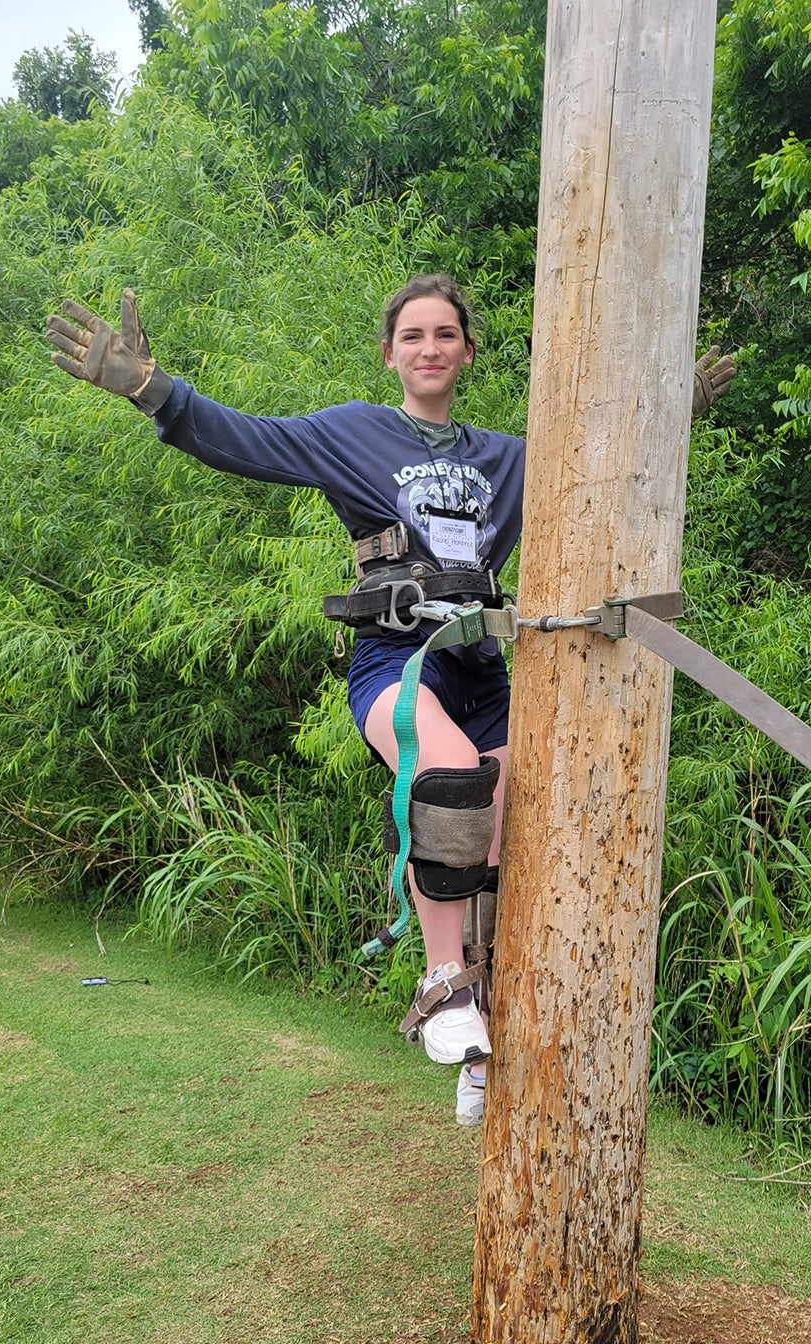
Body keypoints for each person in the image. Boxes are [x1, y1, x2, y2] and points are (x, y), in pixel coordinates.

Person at [45, 274, 733, 1128]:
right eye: (413, 336)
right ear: (389, 353)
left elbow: (605, 464)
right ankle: (441, 983)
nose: (430, 348)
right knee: (447, 781)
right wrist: (153, 390)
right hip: (395, 660)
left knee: (505, 841)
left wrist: (672, 415)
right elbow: (245, 441)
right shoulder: (353, 433)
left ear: (468, 351)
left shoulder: (510, 460)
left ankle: (484, 1031)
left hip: (480, 668)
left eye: (445, 334)